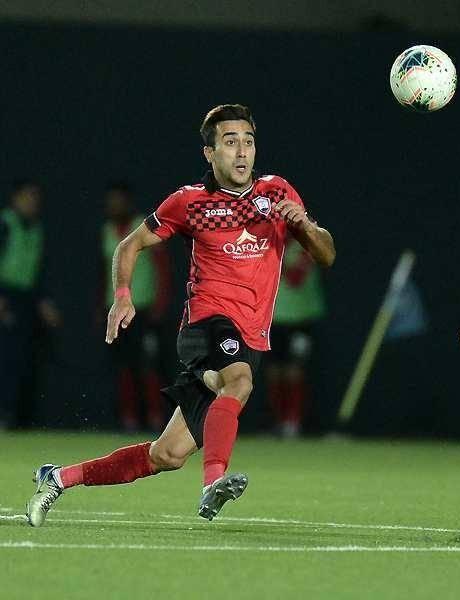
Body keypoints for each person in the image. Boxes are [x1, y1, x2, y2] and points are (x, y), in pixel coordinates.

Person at [26, 104, 336, 526]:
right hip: (206, 325)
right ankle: (213, 482)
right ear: (209, 153)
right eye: (230, 142)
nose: (242, 152)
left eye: (248, 142)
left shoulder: (277, 193)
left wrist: (307, 226)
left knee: (167, 454)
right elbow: (129, 245)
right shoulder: (190, 201)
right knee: (239, 381)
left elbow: (326, 255)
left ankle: (59, 477)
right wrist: (122, 296)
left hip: (250, 335)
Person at [100, 182, 171, 431]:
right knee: (123, 367)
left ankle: (155, 417)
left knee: (149, 366)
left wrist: (160, 305)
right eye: (111, 202)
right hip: (116, 310)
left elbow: (162, 268)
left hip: (143, 311)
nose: (114, 207)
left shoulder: (145, 226)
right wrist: (101, 304)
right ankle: (128, 419)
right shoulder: (107, 230)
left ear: (128, 203)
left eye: (119, 201)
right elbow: (104, 271)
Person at [0, 181, 61, 429]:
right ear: (15, 198)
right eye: (28, 197)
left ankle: (17, 418)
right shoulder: (5, 223)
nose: (33, 202)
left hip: (26, 300)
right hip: (5, 296)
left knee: (24, 359)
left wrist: (44, 302)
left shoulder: (37, 229)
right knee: (6, 358)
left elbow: (38, 270)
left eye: (36, 198)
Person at [266, 237, 326, 437]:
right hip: (272, 319)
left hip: (301, 319)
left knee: (295, 371)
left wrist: (273, 261)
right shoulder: (269, 243)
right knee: (274, 372)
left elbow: (295, 279)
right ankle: (278, 422)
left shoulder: (307, 243)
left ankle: (293, 423)